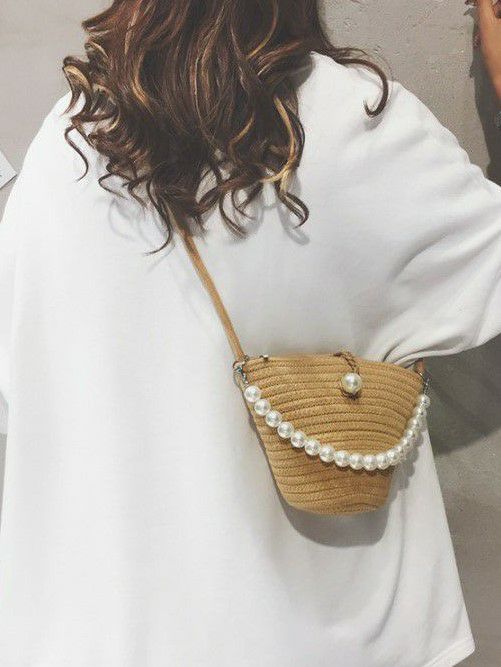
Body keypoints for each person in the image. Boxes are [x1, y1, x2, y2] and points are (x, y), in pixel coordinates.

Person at [0, 1, 500, 666]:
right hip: (304, 634)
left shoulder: (66, 141)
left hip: (91, 631)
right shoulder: (352, 122)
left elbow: (21, 381)